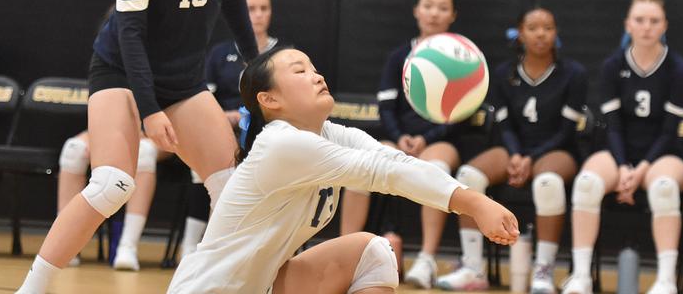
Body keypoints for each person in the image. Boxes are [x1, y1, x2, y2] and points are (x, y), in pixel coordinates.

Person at [16, 0, 259, 293]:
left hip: (183, 80)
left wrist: (257, 69)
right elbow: (129, 33)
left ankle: (212, 284)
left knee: (232, 188)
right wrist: (149, 110)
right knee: (112, 183)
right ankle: (34, 287)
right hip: (121, 72)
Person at [167, 46, 520, 293]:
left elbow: (395, 163)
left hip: (263, 287)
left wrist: (472, 200)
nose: (316, 75)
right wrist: (474, 203)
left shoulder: (331, 134)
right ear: (269, 100)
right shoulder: (280, 144)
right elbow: (382, 173)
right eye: (300, 71)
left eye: (313, 67)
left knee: (373, 253)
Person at [436, 7, 587, 293]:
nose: (541, 33)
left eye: (548, 27)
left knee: (548, 183)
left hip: (556, 150)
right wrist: (517, 154)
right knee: (467, 176)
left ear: (556, 34)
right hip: (513, 149)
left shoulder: (573, 74)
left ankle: (543, 271)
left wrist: (530, 158)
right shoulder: (504, 73)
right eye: (533, 27)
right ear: (520, 34)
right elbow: (505, 126)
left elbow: (566, 131)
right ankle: (472, 267)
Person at [340, 0, 474, 289]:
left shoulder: (461, 57)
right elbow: (386, 107)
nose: (434, 13)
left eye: (442, 7)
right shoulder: (399, 56)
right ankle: (345, 254)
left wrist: (426, 139)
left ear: (452, 15)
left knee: (435, 171)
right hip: (397, 137)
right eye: (428, 5)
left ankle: (426, 260)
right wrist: (401, 137)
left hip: (440, 139)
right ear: (416, 11)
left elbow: (459, 112)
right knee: (360, 168)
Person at [561, 0, 683, 294]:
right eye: (640, 20)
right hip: (620, 150)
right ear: (628, 25)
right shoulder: (612, 66)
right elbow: (614, 126)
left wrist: (642, 170)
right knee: (587, 184)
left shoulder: (678, 69)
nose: (647, 27)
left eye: (654, 21)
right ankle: (581, 277)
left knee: (663, 188)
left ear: (665, 26)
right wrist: (622, 167)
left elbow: (669, 131)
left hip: (663, 155)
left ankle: (666, 281)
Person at [176, 0, 280, 260]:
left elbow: (288, 102)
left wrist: (246, 115)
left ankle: (248, 249)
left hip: (267, 132)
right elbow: (202, 100)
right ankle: (191, 247)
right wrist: (226, 117)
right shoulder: (220, 53)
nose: (258, 15)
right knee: (203, 165)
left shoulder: (283, 56)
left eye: (264, 8)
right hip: (221, 128)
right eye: (251, 9)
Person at [55, 133, 168, 270]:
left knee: (143, 152)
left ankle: (128, 246)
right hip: (116, 130)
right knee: (74, 149)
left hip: (161, 133)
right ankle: (66, 245)